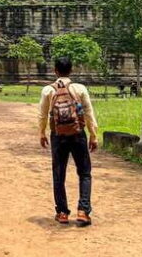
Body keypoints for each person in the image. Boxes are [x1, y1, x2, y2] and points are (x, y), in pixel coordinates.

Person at [39, 56, 99, 226]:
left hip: (58, 135)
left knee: (59, 174)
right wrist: (93, 135)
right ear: (71, 71)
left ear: (55, 71)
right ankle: (83, 210)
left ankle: (62, 212)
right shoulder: (79, 88)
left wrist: (42, 133)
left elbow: (42, 115)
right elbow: (88, 113)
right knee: (85, 173)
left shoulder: (48, 90)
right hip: (78, 134)